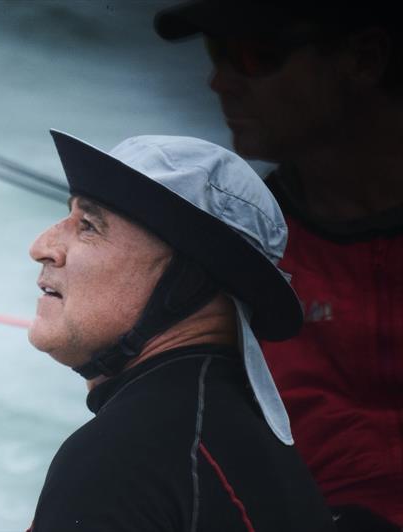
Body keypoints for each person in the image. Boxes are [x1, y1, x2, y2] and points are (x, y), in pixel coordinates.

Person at [154, 2, 403, 530]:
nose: (219, 81)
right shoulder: (232, 260)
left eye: (253, 56)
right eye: (214, 53)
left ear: (365, 58)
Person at [26, 130, 334, 531]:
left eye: (88, 225)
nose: (41, 246)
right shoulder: (238, 439)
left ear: (189, 277)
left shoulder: (124, 457)